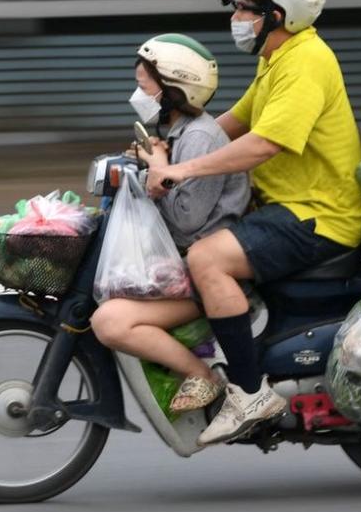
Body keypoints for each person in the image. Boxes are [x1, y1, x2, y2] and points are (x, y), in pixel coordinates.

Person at [146, 0, 361, 445]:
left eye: (245, 8)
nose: (236, 17)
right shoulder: (278, 61)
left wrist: (182, 170)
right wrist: (162, 154)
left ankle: (248, 393)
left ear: (277, 15)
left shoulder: (307, 62)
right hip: (286, 207)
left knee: (207, 260)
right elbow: (230, 125)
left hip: (319, 216)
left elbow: (264, 143)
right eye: (236, 6)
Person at [91, 33, 251, 414]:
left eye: (144, 85)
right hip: (181, 267)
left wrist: (158, 169)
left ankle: (207, 379)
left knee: (110, 323)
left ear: (174, 89)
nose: (138, 94)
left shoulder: (199, 139)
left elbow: (186, 220)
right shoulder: (177, 134)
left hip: (202, 277)